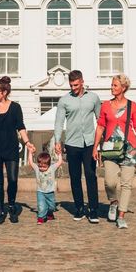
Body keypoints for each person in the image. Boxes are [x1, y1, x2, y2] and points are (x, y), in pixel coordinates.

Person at [93, 73, 136, 229]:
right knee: (109, 182)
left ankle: (121, 215)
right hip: (110, 149)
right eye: (112, 85)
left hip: (130, 149)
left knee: (126, 184)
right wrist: (95, 147)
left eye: (115, 85)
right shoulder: (105, 105)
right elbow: (100, 127)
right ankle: (113, 202)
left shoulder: (133, 106)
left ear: (123, 88)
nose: (112, 88)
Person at [0, 76, 35, 224]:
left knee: (12, 179)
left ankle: (11, 206)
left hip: (11, 148)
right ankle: (0, 210)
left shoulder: (16, 107)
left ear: (4, 92)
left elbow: (21, 127)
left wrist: (27, 142)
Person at [53, 69, 102, 222]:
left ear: (82, 81)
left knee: (90, 175)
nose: (73, 88)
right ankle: (79, 208)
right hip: (72, 143)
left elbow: (100, 120)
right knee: (74, 177)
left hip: (89, 143)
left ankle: (93, 209)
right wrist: (57, 140)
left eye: (75, 85)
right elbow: (59, 122)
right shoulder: (64, 100)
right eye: (71, 85)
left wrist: (101, 142)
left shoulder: (93, 98)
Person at [28, 150, 63, 225]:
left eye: (44, 167)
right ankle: (41, 218)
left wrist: (59, 154)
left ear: (49, 164)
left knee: (52, 206)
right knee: (41, 205)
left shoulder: (52, 168)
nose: (42, 168)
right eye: (40, 166)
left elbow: (59, 162)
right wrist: (30, 153)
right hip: (40, 191)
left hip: (50, 192)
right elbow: (31, 162)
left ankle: (49, 214)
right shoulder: (37, 168)